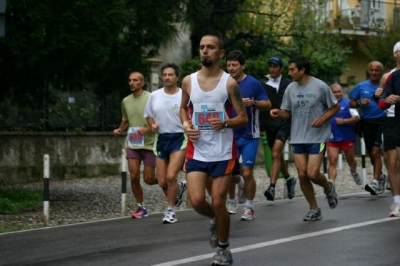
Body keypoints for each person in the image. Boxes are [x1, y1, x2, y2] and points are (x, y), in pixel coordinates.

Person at [180, 35, 248, 265]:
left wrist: (226, 123)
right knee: (198, 201)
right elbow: (183, 109)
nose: (204, 51)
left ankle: (224, 249)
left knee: (219, 202)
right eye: (201, 48)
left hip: (222, 153)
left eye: (210, 48)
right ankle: (214, 220)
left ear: (220, 54)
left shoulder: (229, 83)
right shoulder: (188, 81)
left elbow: (242, 118)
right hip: (197, 150)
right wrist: (187, 125)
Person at [270, 55, 340, 221]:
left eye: (292, 69)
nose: (289, 72)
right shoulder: (290, 89)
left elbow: (335, 106)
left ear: (302, 70)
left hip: (317, 136)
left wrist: (322, 119)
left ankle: (329, 187)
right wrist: (278, 112)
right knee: (302, 175)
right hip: (297, 137)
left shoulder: (320, 86)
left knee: (313, 174)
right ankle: (314, 209)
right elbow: (287, 112)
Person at [225, 50, 271, 219]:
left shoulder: (253, 83)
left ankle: (249, 207)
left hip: (249, 134)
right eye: (228, 65)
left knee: (247, 171)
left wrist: (253, 103)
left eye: (234, 65)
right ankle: (231, 199)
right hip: (229, 134)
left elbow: (267, 104)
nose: (231, 68)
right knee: (229, 172)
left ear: (242, 66)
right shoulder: (223, 83)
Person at [144, 63, 187, 224]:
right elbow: (148, 114)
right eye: (165, 75)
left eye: (170, 75)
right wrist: (152, 124)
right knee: (162, 181)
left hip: (179, 138)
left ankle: (170, 211)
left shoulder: (184, 95)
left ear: (177, 77)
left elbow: (190, 113)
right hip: (161, 139)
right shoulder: (154, 95)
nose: (167, 77)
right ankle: (179, 188)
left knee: (170, 176)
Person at [113, 71, 158, 219]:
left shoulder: (151, 98)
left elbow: (158, 119)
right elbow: (126, 119)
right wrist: (120, 129)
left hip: (150, 143)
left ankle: (168, 182)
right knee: (133, 176)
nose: (132, 83)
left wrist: (148, 129)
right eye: (130, 80)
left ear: (142, 83)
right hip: (133, 143)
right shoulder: (125, 101)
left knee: (149, 179)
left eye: (135, 80)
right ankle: (141, 206)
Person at [259, 56, 297, 202]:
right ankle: (289, 179)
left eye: (275, 66)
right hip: (268, 124)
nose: (272, 69)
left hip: (284, 122)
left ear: (281, 69)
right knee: (278, 156)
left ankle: (272, 187)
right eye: (270, 66)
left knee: (275, 153)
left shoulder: (288, 84)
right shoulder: (262, 83)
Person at [348, 61, 388, 195]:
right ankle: (381, 176)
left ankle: (375, 182)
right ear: (368, 71)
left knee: (377, 152)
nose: (374, 72)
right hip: (367, 122)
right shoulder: (361, 86)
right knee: (372, 153)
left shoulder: (386, 86)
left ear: (382, 72)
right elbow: (351, 103)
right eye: (372, 70)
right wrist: (360, 103)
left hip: (383, 121)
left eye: (377, 70)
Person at [327, 84, 361, 184]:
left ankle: (354, 172)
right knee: (333, 161)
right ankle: (331, 185)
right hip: (332, 138)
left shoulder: (348, 103)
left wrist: (344, 121)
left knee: (351, 161)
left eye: (339, 91)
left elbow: (357, 118)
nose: (337, 94)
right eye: (335, 92)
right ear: (330, 93)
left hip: (347, 137)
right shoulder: (326, 104)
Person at [377, 68, 400, 217]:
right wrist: (386, 101)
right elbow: (381, 101)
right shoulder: (394, 76)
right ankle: (397, 203)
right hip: (396, 124)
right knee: (394, 163)